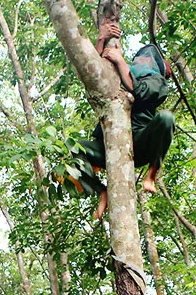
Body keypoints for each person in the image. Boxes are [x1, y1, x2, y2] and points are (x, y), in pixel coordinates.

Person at [69, 21, 175, 220]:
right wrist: (101, 39)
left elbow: (139, 90)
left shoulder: (157, 82)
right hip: (109, 144)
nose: (141, 61)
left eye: (147, 60)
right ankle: (101, 191)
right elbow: (93, 72)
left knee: (166, 118)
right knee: (74, 147)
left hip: (140, 142)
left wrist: (120, 61)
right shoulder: (123, 73)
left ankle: (152, 173)